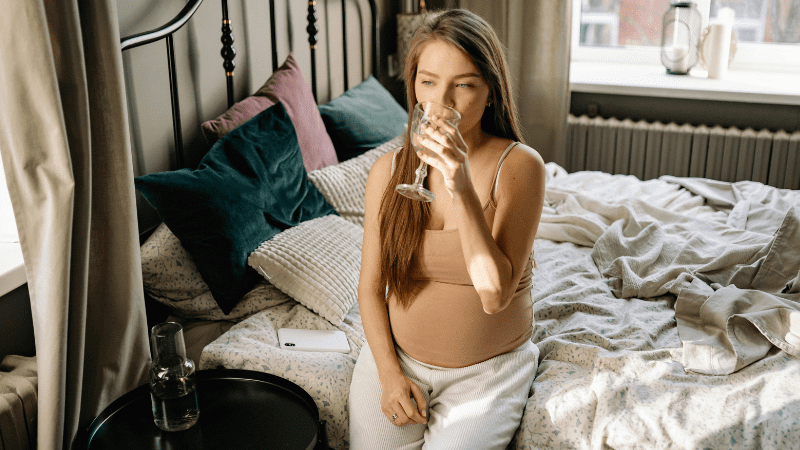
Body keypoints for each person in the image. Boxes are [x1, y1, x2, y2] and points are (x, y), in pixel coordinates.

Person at [349, 8, 545, 450]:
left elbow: (496, 295)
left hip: (487, 374)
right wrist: (389, 374)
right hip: (400, 362)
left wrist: (459, 185)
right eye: (428, 82)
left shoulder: (520, 167)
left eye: (464, 85)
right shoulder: (387, 172)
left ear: (491, 92)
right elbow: (369, 290)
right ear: (413, 86)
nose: (442, 103)